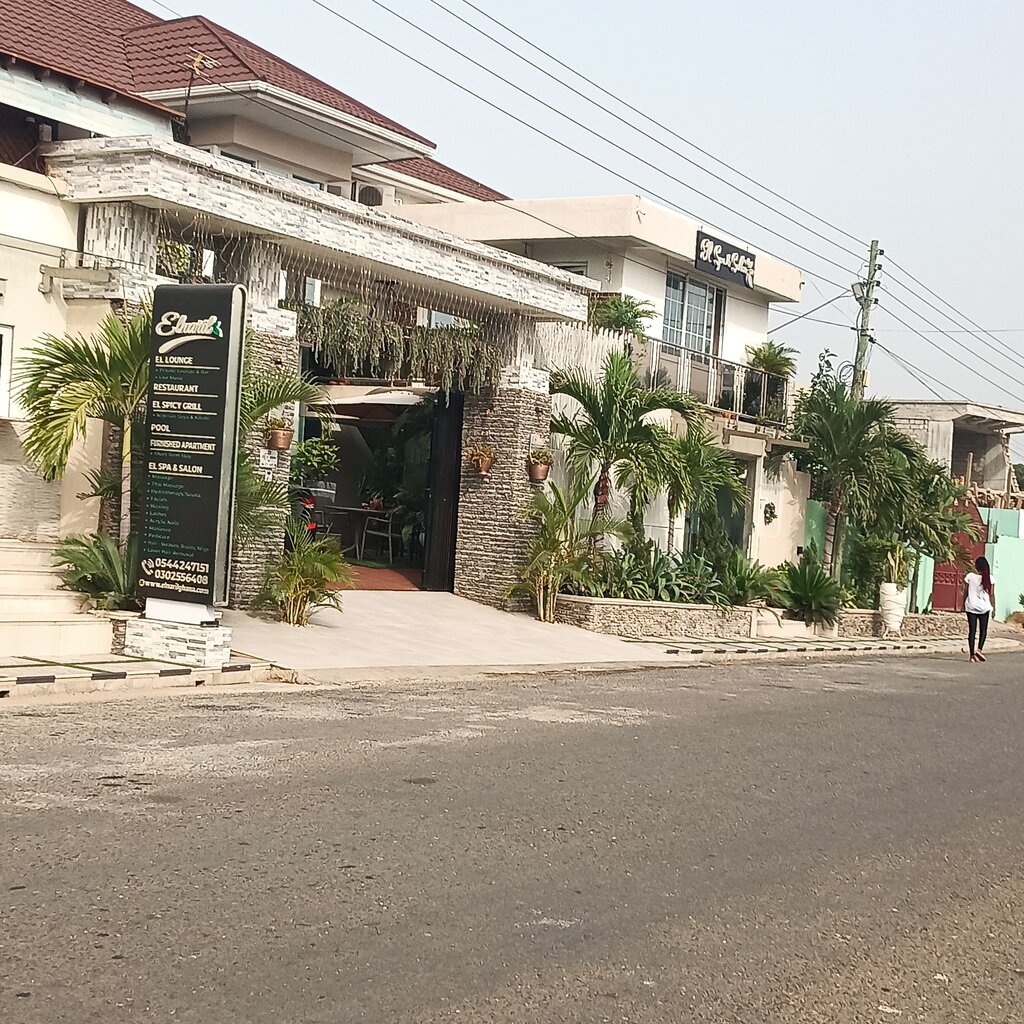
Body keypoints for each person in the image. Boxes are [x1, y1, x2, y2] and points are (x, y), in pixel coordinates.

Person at [963, 556, 994, 663]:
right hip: (984, 608)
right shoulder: (989, 578)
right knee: (983, 630)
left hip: (971, 607)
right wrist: (994, 608)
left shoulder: (970, 576)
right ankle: (979, 650)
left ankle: (972, 656)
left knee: (972, 631)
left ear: (976, 566)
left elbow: (965, 592)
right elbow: (992, 594)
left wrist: (964, 604)